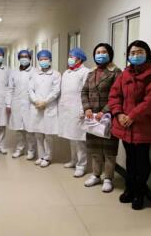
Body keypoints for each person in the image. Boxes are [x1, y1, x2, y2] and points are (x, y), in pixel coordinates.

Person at [108, 40, 151, 210]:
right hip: (125, 125)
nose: (136, 55)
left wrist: (132, 115)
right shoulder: (125, 74)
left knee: (142, 161)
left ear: (147, 54)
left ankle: (139, 193)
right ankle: (129, 188)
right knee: (130, 159)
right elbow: (114, 95)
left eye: (140, 52)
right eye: (133, 53)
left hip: (144, 126)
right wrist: (119, 113)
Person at [81, 43, 122, 192]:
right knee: (95, 148)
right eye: (98, 52)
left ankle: (108, 178)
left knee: (109, 150)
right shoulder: (91, 73)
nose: (100, 55)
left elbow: (118, 95)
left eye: (104, 52)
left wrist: (105, 111)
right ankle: (96, 175)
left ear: (110, 54)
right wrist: (87, 108)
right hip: (92, 117)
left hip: (108, 117)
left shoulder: (116, 72)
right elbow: (84, 91)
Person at [58, 48, 90, 177]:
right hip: (67, 109)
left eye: (72, 57)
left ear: (80, 59)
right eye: (69, 56)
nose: (70, 59)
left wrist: (83, 109)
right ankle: (73, 160)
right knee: (71, 137)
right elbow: (64, 92)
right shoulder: (66, 72)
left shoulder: (85, 72)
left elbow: (86, 92)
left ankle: (81, 165)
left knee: (79, 139)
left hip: (78, 109)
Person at [28, 50, 61, 167]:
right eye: (41, 59)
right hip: (37, 107)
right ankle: (41, 156)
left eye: (45, 59)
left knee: (48, 134)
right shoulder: (34, 74)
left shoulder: (56, 74)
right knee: (38, 133)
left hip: (49, 107)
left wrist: (45, 102)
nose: (43, 61)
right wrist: (36, 101)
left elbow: (56, 91)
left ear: (50, 60)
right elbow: (30, 90)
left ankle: (48, 157)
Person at [6, 49, 37, 159]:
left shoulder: (35, 72)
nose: (24, 58)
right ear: (19, 58)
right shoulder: (13, 72)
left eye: (26, 56)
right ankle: (19, 149)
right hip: (17, 104)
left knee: (30, 129)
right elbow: (10, 89)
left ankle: (31, 150)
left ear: (30, 58)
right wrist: (8, 104)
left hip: (30, 104)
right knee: (19, 129)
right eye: (22, 57)